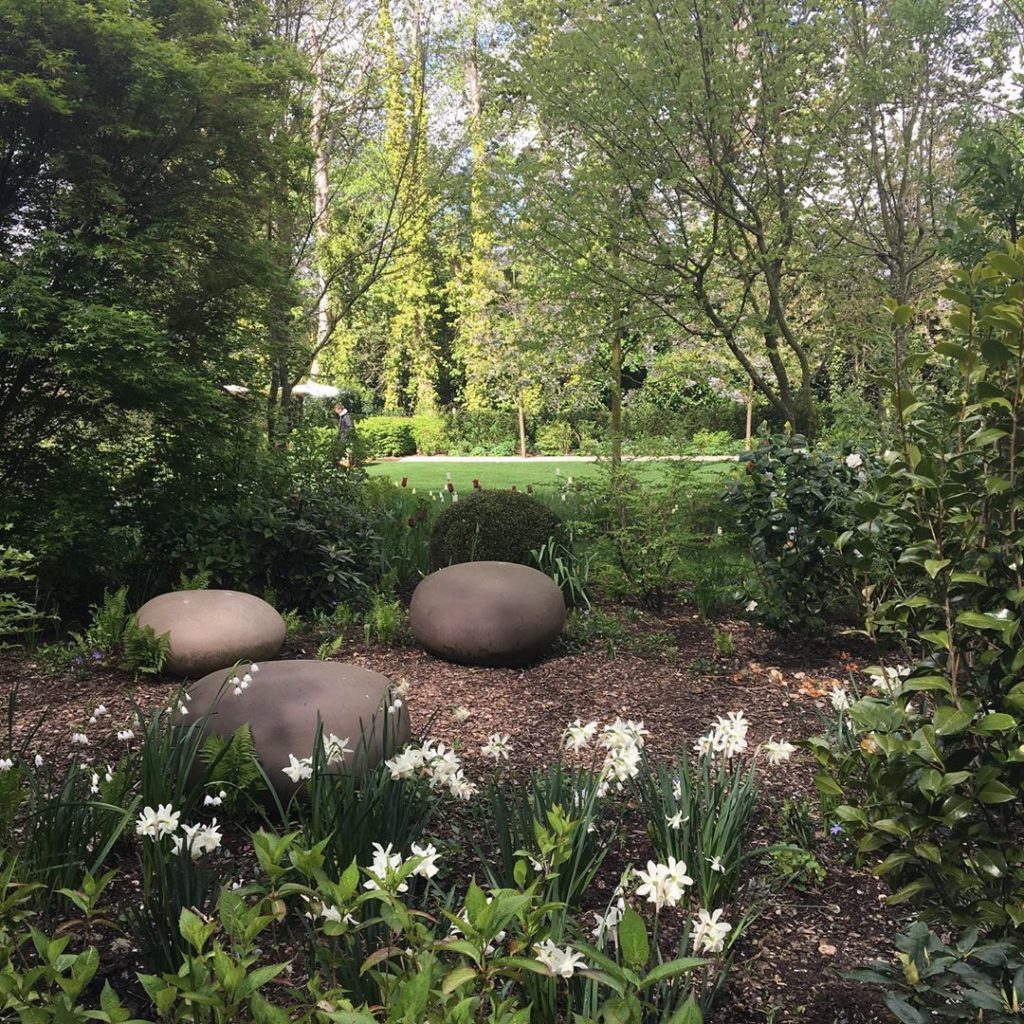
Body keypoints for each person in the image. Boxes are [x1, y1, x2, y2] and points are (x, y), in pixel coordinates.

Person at [334, 402, 356, 467]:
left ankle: (348, 465)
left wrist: (345, 436)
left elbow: (350, 427)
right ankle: (346, 464)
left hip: (346, 438)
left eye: (336, 411)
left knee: (348, 453)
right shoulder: (343, 416)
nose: (336, 413)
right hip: (343, 437)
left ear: (339, 409)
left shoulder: (346, 416)